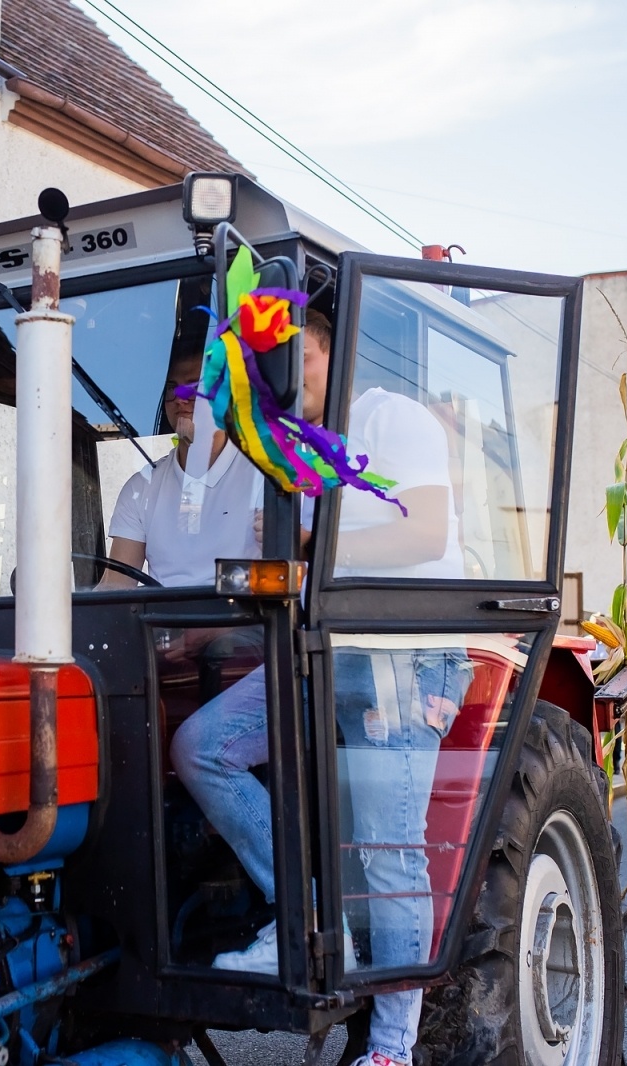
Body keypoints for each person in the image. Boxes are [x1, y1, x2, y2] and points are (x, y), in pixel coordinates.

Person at [170, 310, 467, 1066]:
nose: (283, 377)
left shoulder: (391, 418)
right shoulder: (289, 453)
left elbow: (424, 534)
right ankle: (301, 914)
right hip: (315, 648)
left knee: (387, 847)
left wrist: (309, 547)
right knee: (202, 747)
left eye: (294, 358)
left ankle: (392, 1048)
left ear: (329, 351)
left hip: (399, 653)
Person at [99, 351, 263, 589]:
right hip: (162, 621)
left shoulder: (264, 477)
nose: (179, 398)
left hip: (241, 619)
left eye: (194, 388)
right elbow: (116, 585)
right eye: (171, 388)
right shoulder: (141, 488)